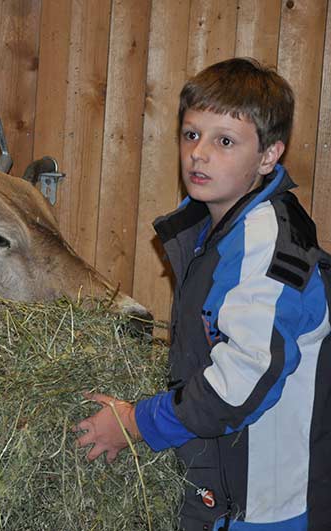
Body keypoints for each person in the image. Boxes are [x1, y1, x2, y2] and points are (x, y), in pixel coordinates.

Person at [75, 57, 331, 531]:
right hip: (220, 487)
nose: (199, 153)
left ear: (269, 156)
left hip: (267, 506)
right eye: (191, 134)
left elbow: (243, 381)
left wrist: (137, 423)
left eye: (225, 141)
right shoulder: (211, 231)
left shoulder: (268, 245)